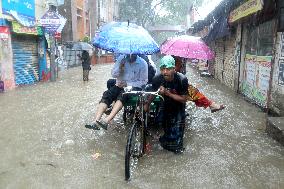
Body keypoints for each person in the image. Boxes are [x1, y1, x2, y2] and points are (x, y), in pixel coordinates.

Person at [145, 55, 225, 154]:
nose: (165, 72)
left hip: (179, 107)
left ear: (174, 69)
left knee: (178, 141)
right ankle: (165, 144)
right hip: (165, 105)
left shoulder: (181, 79)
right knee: (166, 130)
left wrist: (167, 93)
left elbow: (183, 100)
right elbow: (152, 94)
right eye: (163, 69)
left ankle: (177, 150)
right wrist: (147, 105)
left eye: (168, 69)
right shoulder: (157, 79)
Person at [85, 54, 148, 130]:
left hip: (133, 88)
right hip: (119, 85)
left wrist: (127, 84)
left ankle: (106, 120)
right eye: (128, 54)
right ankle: (96, 121)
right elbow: (113, 74)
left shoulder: (142, 63)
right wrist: (120, 68)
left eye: (132, 54)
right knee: (107, 94)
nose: (130, 56)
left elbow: (143, 82)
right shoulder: (121, 59)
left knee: (123, 95)